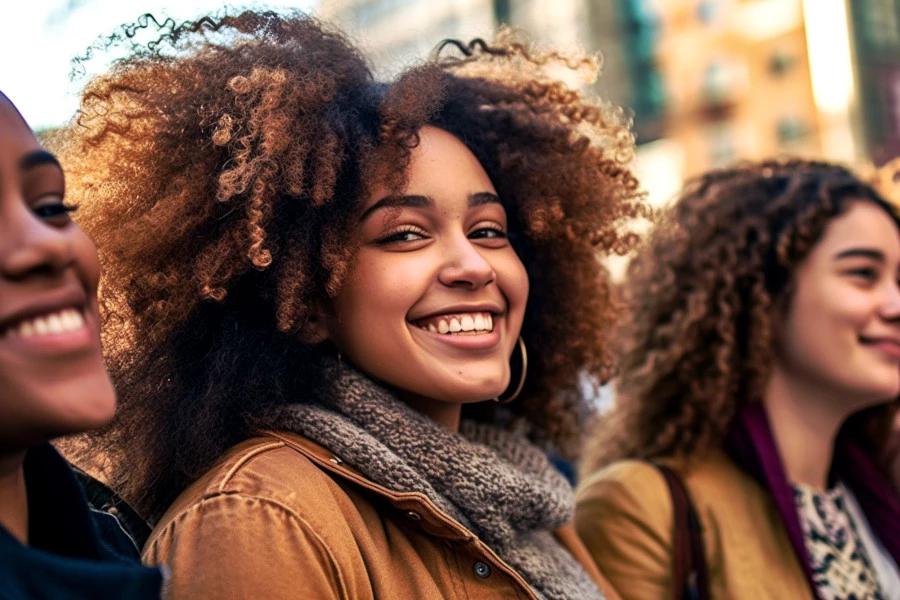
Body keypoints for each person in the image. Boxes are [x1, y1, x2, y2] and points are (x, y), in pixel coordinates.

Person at [56, 11, 646, 600]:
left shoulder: (531, 505)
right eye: (405, 234)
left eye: (489, 229)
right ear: (307, 303)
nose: (474, 264)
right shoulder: (259, 519)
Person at [576, 159, 900, 599]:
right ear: (761, 294)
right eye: (863, 274)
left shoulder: (879, 491)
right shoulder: (641, 507)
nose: (895, 303)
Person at [0, 91, 163, 598]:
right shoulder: (261, 510)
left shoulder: (111, 540)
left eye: (50, 206)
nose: (50, 242)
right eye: (399, 235)